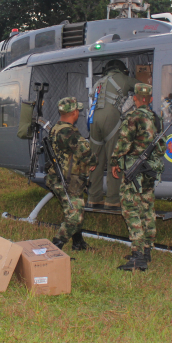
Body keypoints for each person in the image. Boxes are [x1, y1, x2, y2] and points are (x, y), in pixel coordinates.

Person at [111, 83, 166, 271]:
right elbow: (162, 147)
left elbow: (124, 143)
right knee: (147, 207)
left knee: (130, 208)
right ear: (150, 99)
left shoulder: (133, 117)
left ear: (135, 99)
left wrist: (115, 162)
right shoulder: (156, 119)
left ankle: (137, 255)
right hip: (150, 169)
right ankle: (147, 249)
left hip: (135, 169)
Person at [47, 97, 98, 250]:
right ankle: (55, 246)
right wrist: (93, 161)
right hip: (67, 179)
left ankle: (78, 243)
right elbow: (86, 153)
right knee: (75, 215)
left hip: (63, 177)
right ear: (74, 112)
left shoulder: (56, 128)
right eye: (78, 110)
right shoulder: (69, 133)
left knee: (77, 208)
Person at [88, 59, 138, 210]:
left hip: (94, 121)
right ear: (121, 70)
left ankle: (93, 198)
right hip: (111, 120)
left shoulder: (98, 82)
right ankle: (112, 199)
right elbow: (143, 87)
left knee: (95, 161)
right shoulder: (123, 79)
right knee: (114, 159)